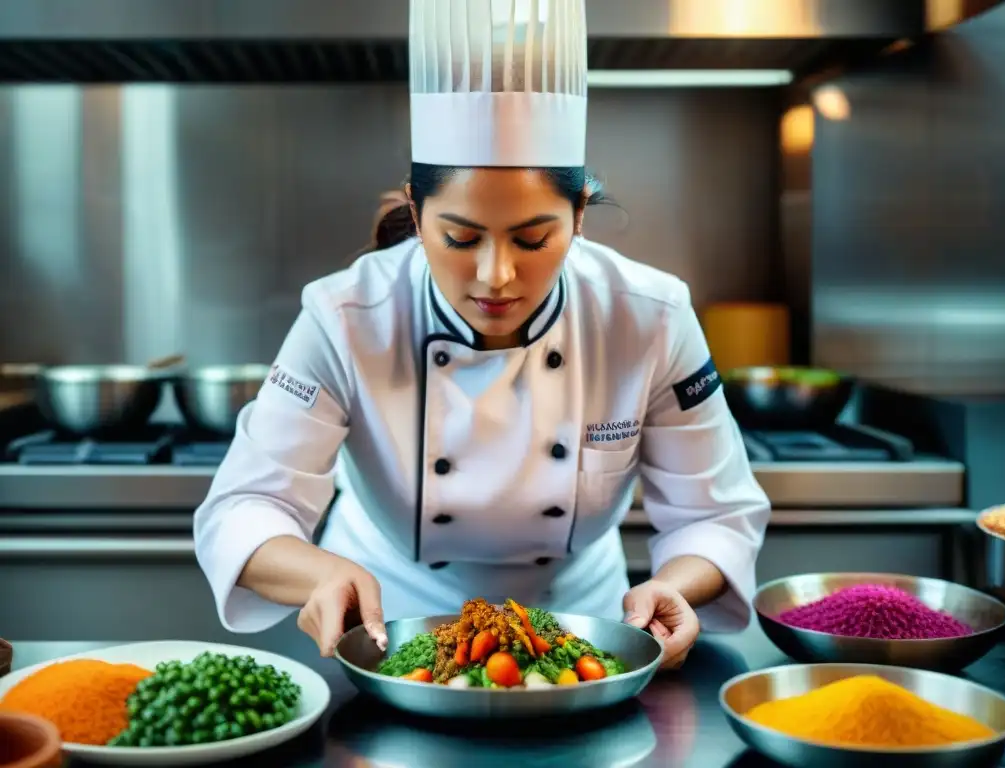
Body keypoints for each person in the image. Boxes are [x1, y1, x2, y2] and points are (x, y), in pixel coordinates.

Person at [193, 0, 770, 671]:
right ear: (416, 209)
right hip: (392, 631)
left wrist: (672, 587)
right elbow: (245, 505)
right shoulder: (347, 314)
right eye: (460, 238)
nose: (496, 275)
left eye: (534, 238)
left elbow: (714, 514)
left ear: (579, 213)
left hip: (584, 635)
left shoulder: (650, 315)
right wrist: (320, 576)